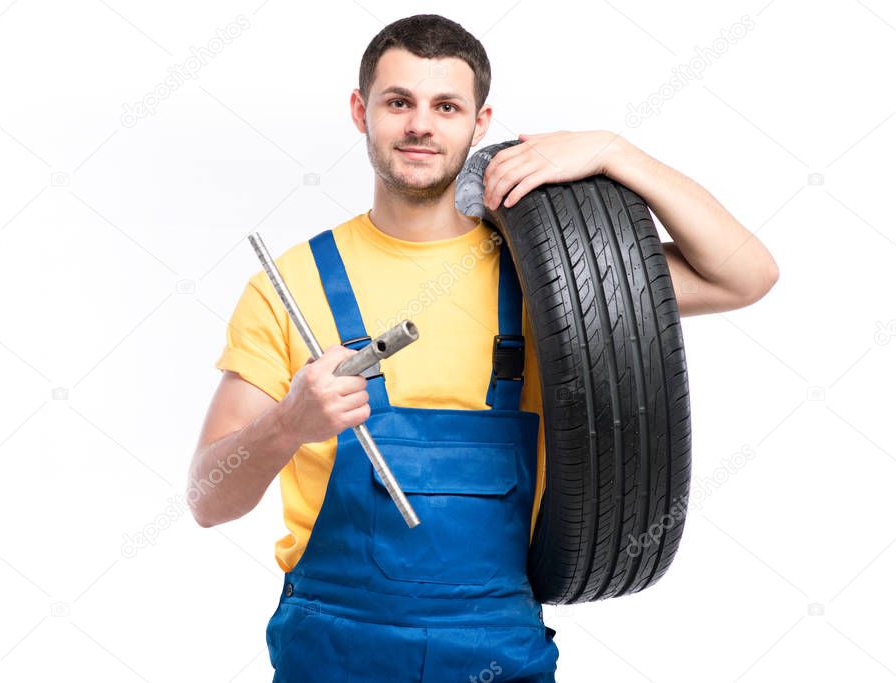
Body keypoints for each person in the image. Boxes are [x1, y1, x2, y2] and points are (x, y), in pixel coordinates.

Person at [187, 13, 778, 682]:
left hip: (496, 649)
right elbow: (209, 501)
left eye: (445, 106)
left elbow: (743, 274)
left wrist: (617, 152)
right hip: (330, 648)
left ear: (479, 121)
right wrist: (288, 423)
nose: (420, 124)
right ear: (361, 111)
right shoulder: (288, 285)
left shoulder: (551, 276)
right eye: (397, 102)